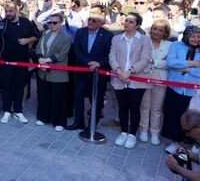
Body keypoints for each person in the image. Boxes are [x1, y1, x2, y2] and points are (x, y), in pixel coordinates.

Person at [108, 12, 153, 149]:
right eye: (126, 20)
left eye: (131, 22)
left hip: (137, 79)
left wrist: (130, 71)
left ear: (138, 25)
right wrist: (120, 71)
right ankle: (123, 132)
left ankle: (132, 134)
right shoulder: (116, 39)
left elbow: (145, 59)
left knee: (134, 107)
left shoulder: (145, 39)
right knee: (122, 107)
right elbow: (112, 56)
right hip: (119, 77)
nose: (127, 23)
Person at [163, 25, 200, 153]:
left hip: (193, 90)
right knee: (174, 114)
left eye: (199, 36)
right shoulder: (177, 45)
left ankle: (195, 142)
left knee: (193, 117)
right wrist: (193, 64)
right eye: (193, 36)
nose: (195, 39)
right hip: (175, 86)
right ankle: (175, 142)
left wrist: (186, 69)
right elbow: (171, 63)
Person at [69, 10, 114, 130]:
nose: (90, 22)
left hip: (99, 73)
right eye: (89, 19)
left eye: (94, 20)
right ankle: (79, 122)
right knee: (78, 96)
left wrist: (99, 64)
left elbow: (110, 54)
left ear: (101, 23)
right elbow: (76, 49)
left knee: (96, 99)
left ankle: (92, 126)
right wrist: (86, 62)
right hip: (82, 70)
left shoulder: (108, 35)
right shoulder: (80, 32)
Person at [34, 12, 72, 130]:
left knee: (58, 97)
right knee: (44, 95)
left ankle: (59, 122)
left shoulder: (66, 37)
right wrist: (40, 58)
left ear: (61, 23)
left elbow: (62, 54)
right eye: (50, 22)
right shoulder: (45, 33)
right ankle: (43, 117)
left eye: (55, 22)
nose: (52, 25)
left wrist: (46, 60)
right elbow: (38, 47)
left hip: (58, 72)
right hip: (43, 71)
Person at [138, 19, 171, 146]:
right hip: (144, 77)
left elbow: (169, 63)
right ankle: (143, 130)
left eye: (160, 30)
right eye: (155, 29)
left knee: (157, 108)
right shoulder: (143, 41)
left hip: (161, 79)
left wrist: (153, 62)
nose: (156, 32)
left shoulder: (169, 45)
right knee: (144, 106)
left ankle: (155, 132)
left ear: (165, 33)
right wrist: (152, 62)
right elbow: (141, 59)